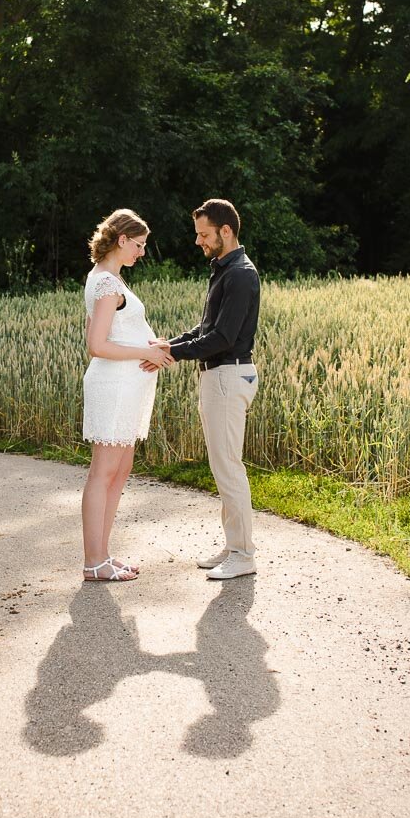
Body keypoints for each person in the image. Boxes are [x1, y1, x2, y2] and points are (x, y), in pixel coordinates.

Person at [147, 199, 261, 580]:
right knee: (222, 465)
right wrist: (170, 345)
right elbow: (204, 329)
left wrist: (173, 355)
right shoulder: (224, 271)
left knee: (229, 466)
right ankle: (233, 547)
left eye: (204, 234)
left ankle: (244, 554)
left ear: (225, 231)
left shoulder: (241, 274)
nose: (199, 241)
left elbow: (224, 337)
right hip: (219, 377)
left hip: (229, 375)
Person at [80, 209, 175, 582]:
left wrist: (150, 345)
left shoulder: (109, 280)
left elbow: (115, 334)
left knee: (119, 471)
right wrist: (145, 352)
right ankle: (93, 562)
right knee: (103, 472)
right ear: (122, 240)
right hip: (114, 387)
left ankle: (103, 555)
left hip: (126, 386)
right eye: (138, 245)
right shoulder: (106, 284)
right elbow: (97, 344)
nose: (141, 252)